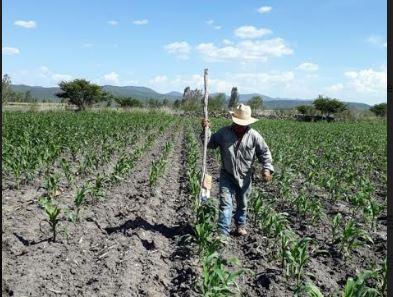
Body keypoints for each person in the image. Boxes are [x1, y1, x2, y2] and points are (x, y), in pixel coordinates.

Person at [201, 104, 274, 239]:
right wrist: (206, 130)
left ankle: (240, 225)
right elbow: (210, 144)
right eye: (237, 123)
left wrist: (267, 168)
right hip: (227, 174)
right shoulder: (224, 133)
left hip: (246, 176)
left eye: (243, 124)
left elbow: (264, 152)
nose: (239, 126)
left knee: (243, 203)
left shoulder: (254, 136)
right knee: (225, 204)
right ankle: (222, 233)